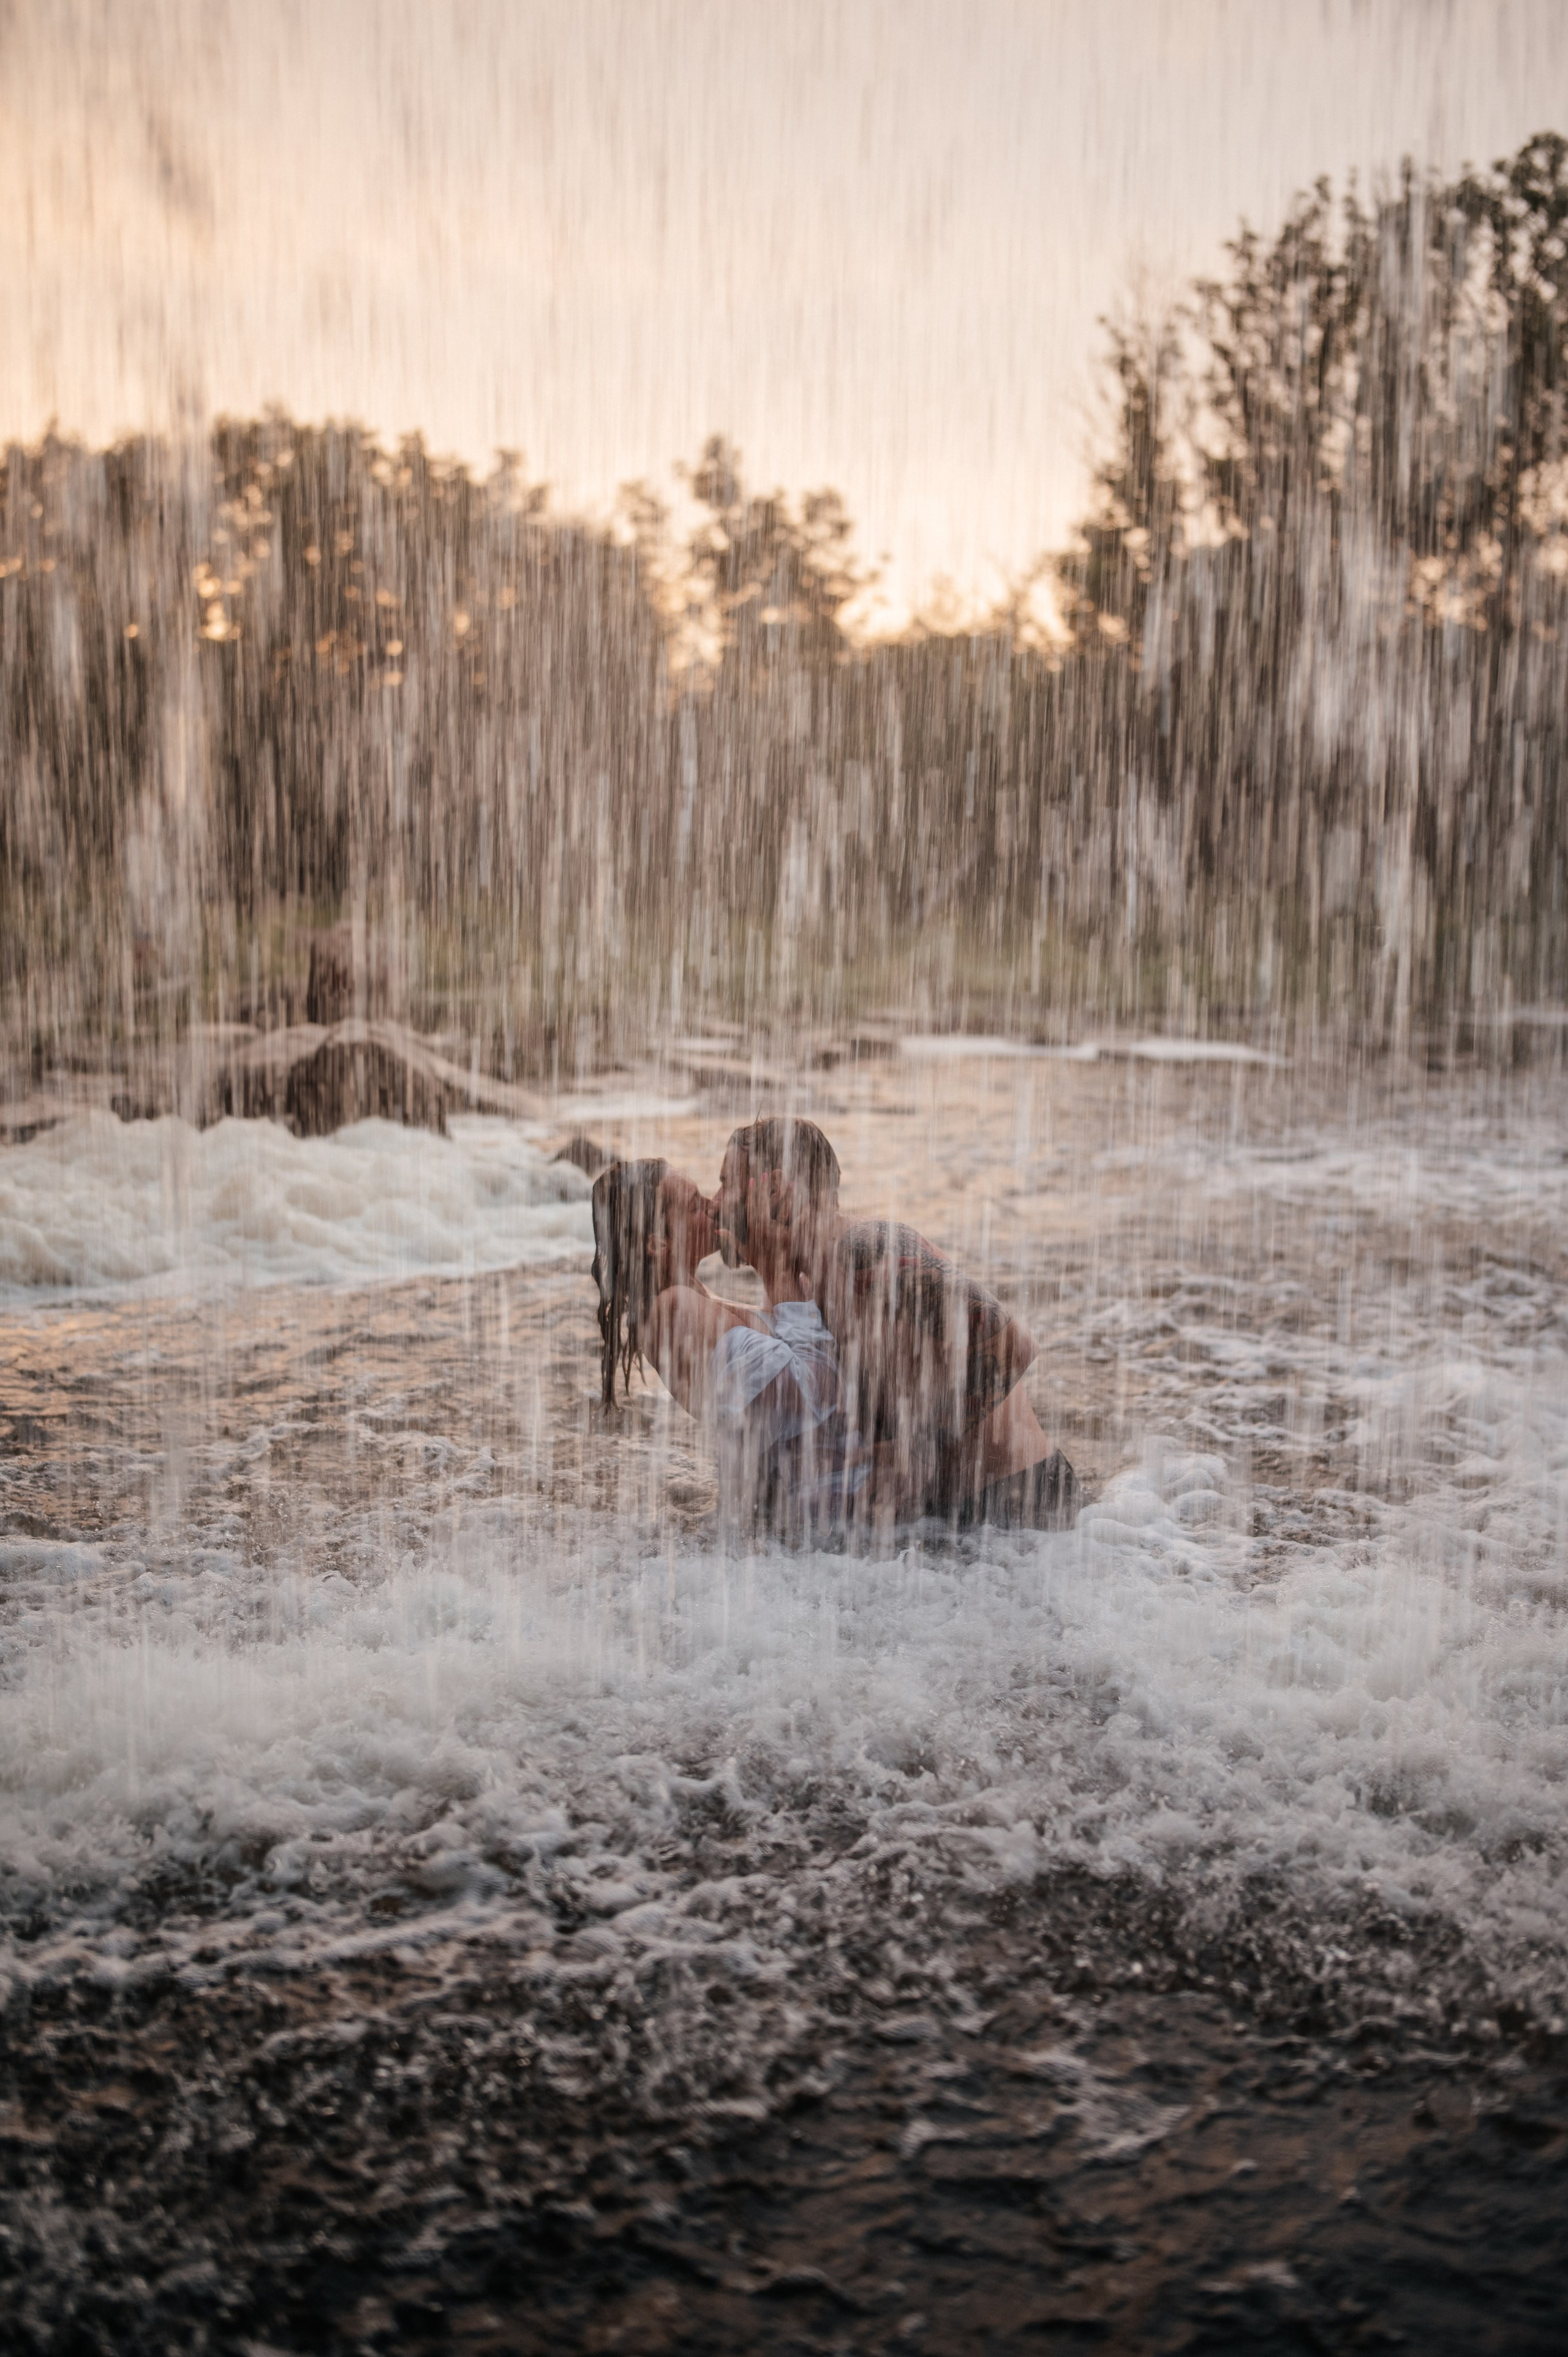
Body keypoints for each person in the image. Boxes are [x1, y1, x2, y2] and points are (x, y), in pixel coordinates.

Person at [638, 1115, 1078, 1534]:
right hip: (961, 1518)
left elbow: (1015, 1345)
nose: (715, 1206)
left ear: (777, 1191)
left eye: (726, 1185)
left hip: (1023, 1503)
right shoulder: (802, 1284)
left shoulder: (868, 1250)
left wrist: (915, 1452)